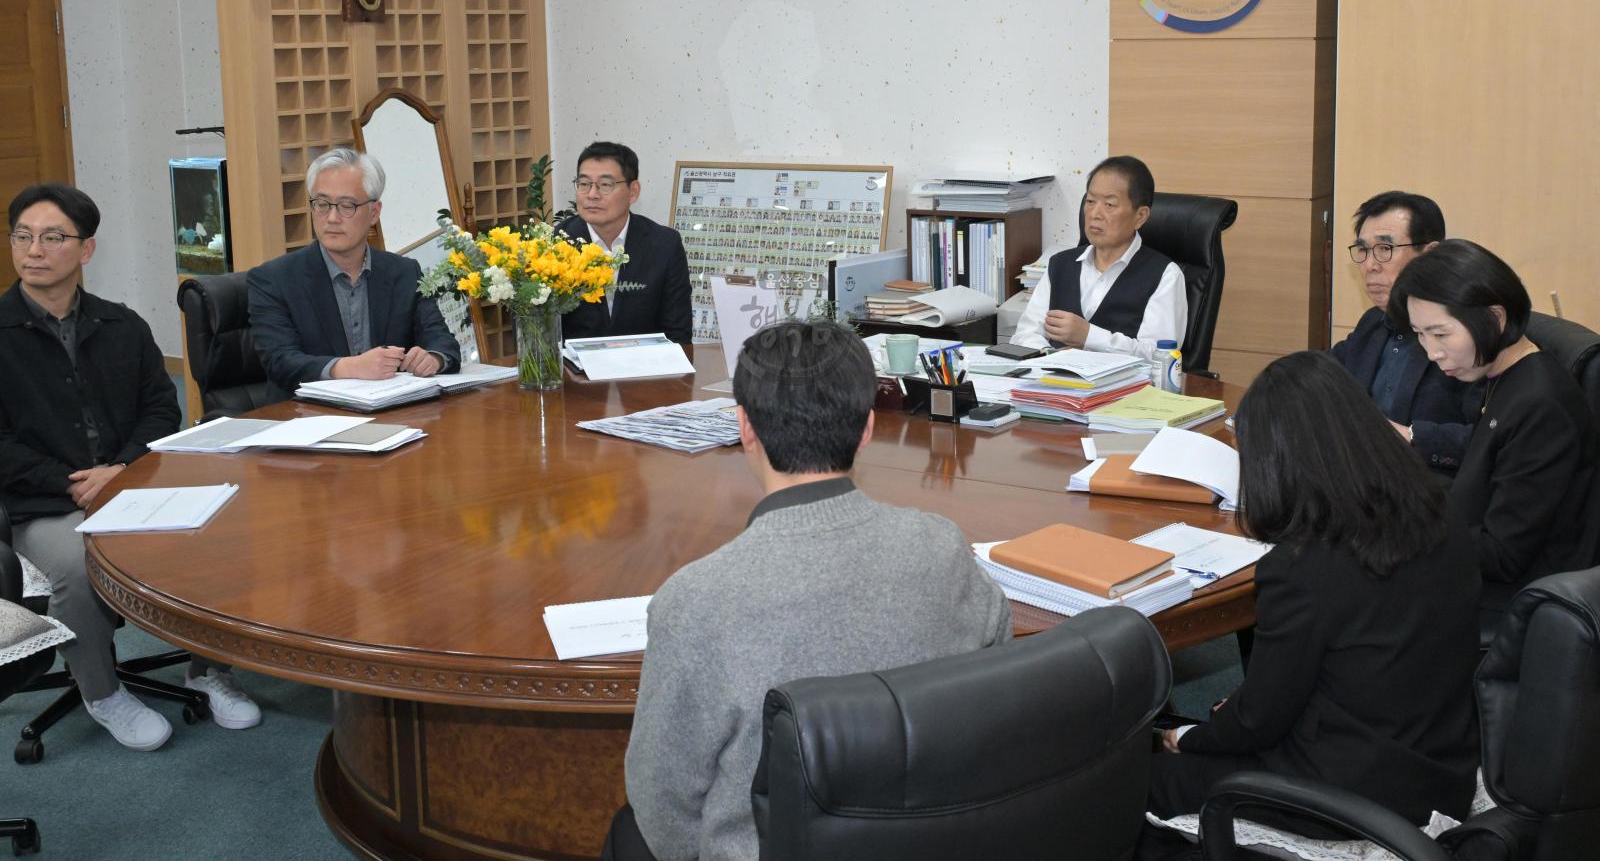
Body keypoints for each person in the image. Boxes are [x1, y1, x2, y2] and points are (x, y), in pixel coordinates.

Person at [608, 321, 1011, 861]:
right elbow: (999, 664)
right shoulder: (940, 543)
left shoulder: (696, 599)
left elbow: (665, 809)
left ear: (744, 427)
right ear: (868, 428)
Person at [1139, 351, 1481, 858]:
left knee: (1135, 781)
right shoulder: (1441, 508)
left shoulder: (1301, 567)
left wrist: (1189, 738)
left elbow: (1261, 721)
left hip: (1345, 789)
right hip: (1438, 762)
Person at [0, 183, 260, 750]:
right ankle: (102, 691)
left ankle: (208, 671)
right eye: (22, 236)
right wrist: (74, 484)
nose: (33, 251)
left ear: (86, 249)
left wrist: (121, 469)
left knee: (212, 532)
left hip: (130, 482)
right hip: (42, 503)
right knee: (75, 564)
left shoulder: (122, 325)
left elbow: (160, 410)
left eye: (52, 238)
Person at [1390, 239, 1600, 594]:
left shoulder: (1539, 406)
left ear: (1495, 317)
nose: (1431, 352)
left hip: (1513, 600)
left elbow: (1502, 556)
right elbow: (1481, 477)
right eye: (1420, 335)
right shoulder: (1504, 377)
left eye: (1440, 334)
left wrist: (1402, 524)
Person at [248, 147, 461, 399]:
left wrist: (433, 359)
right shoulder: (273, 280)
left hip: (390, 414)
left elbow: (443, 342)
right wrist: (351, 367)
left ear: (374, 212)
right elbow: (280, 361)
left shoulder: (404, 272)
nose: (332, 218)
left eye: (347, 205)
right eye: (322, 204)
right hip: (307, 419)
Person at [1330, 191, 1481, 475]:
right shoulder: (1374, 323)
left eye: (1385, 249)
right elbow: (1321, 373)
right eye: (1363, 250)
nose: (1370, 266)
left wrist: (1410, 436)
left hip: (1429, 492)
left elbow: (1492, 439)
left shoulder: (1465, 335)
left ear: (1430, 254)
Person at [1010, 155, 1187, 363]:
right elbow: (1024, 336)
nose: (1095, 213)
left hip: (1127, 393)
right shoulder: (1060, 265)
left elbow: (1160, 357)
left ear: (1140, 216)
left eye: (1110, 205)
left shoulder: (1165, 275)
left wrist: (1089, 336)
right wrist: (1052, 356)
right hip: (1057, 387)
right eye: (1090, 201)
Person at [554, 141, 692, 348]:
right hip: (574, 372)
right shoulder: (554, 245)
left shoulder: (664, 245)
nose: (592, 194)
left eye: (605, 185)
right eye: (584, 184)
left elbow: (678, 332)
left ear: (633, 191)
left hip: (645, 372)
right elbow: (542, 331)